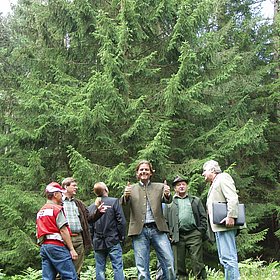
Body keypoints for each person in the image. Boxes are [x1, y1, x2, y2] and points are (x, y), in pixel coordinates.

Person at [121, 159, 175, 280]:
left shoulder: (159, 187)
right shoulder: (131, 189)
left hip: (158, 229)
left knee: (169, 262)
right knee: (142, 268)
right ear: (137, 173)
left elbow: (168, 200)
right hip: (139, 231)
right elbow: (123, 205)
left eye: (146, 169)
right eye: (141, 170)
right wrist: (125, 195)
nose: (144, 171)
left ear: (151, 172)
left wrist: (167, 194)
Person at [202, 160, 242, 280]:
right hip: (219, 225)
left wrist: (231, 216)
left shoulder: (223, 178)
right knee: (225, 258)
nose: (203, 174)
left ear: (212, 170)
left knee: (229, 258)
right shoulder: (214, 183)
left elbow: (232, 198)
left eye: (204, 171)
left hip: (226, 224)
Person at [164, 176, 208, 280]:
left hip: (194, 234)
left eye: (183, 184)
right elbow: (165, 220)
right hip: (177, 236)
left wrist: (200, 231)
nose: (181, 187)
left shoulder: (195, 200)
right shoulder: (170, 203)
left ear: (187, 186)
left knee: (197, 261)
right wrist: (169, 234)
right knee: (179, 264)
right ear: (175, 188)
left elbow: (203, 217)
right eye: (179, 185)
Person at [36, 182, 78, 280]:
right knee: (70, 276)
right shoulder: (57, 209)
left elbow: (38, 231)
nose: (62, 196)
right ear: (55, 195)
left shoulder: (41, 211)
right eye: (60, 193)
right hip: (57, 246)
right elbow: (63, 230)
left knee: (47, 278)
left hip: (45, 247)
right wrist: (72, 249)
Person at [88, 182, 126, 280]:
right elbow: (121, 221)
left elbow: (90, 227)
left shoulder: (91, 207)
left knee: (99, 268)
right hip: (113, 239)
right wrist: (122, 237)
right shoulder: (114, 202)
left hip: (97, 241)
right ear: (106, 190)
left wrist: (93, 240)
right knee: (117, 266)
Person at [61, 177, 92, 277]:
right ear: (66, 187)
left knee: (77, 270)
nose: (76, 188)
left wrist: (99, 212)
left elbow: (89, 218)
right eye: (73, 186)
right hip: (63, 239)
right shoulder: (58, 202)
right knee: (62, 269)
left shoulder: (78, 203)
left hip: (79, 238)